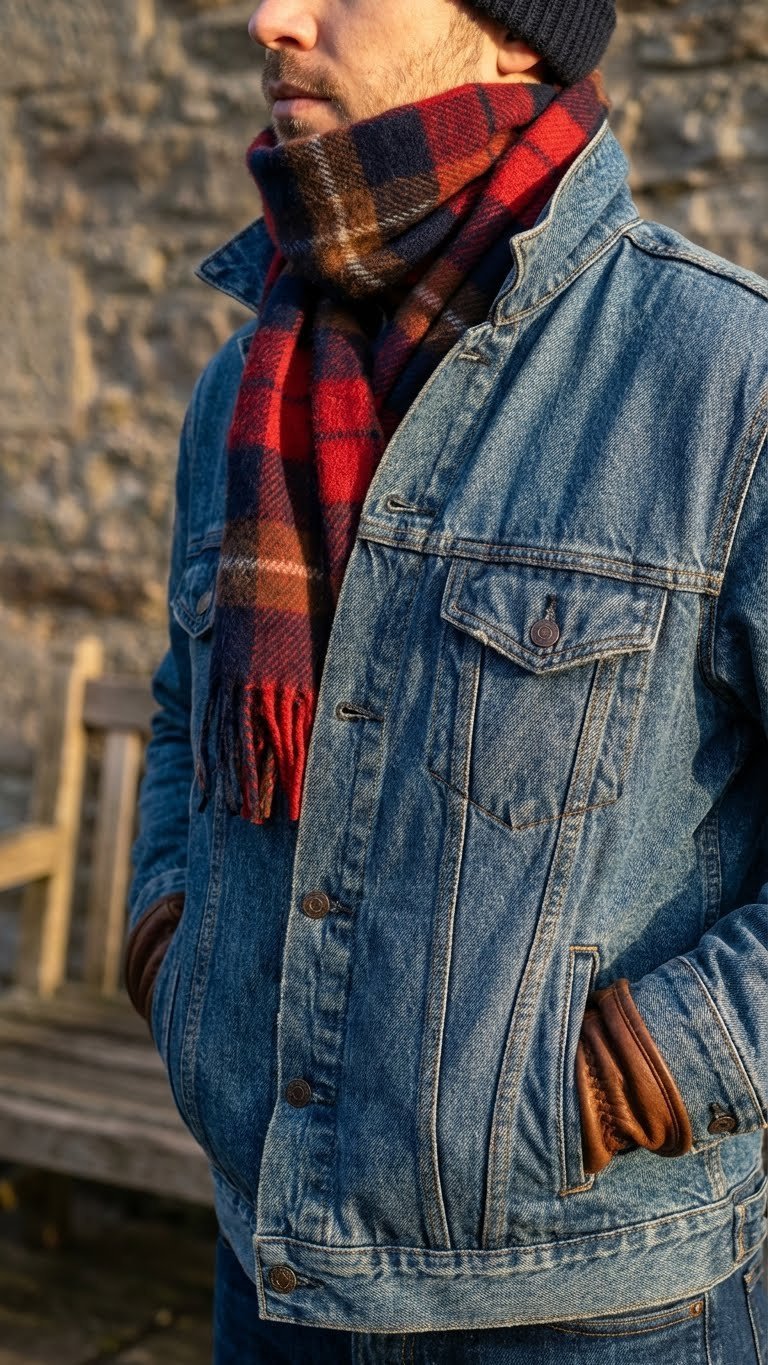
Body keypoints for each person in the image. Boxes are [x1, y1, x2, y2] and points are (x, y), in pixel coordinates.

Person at [123, 0, 768, 1358]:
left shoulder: (722, 381)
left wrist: (638, 1071)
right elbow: (187, 703)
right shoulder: (246, 379)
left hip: (589, 1300)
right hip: (271, 1264)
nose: (270, 16)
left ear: (515, 36)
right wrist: (176, 951)